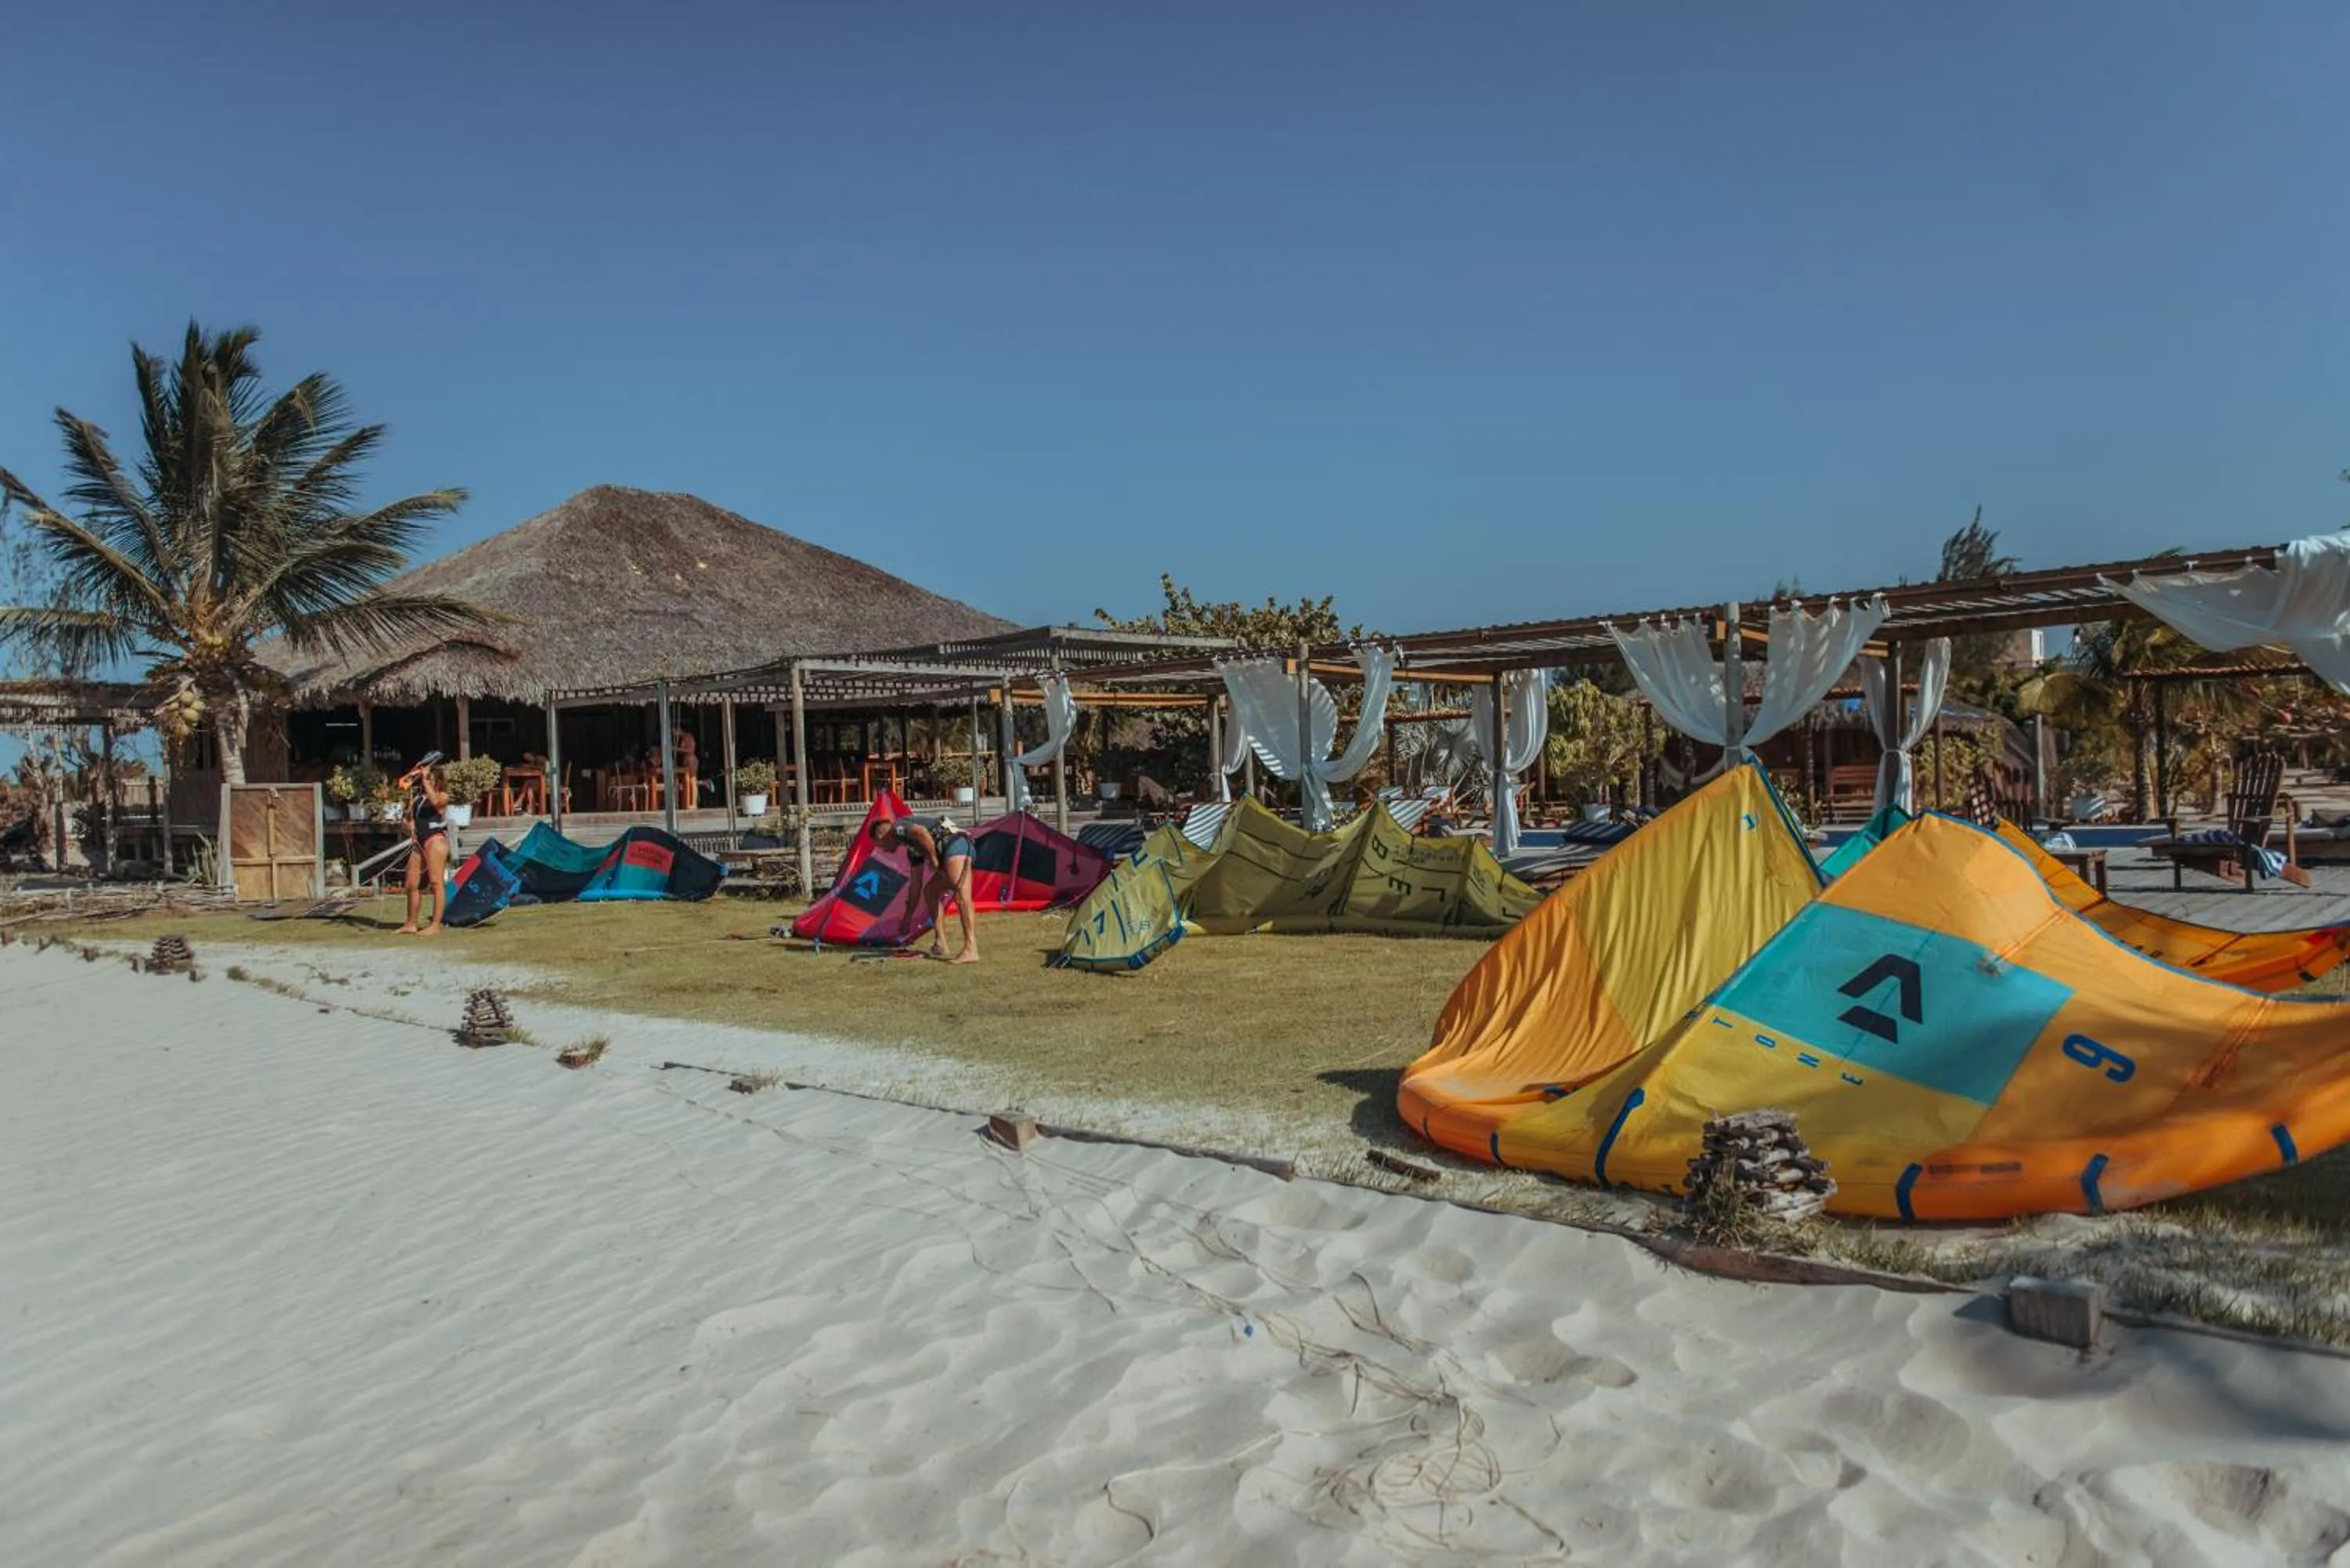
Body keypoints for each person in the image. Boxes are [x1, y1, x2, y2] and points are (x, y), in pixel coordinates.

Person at [869, 811, 979, 964]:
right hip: (952, 848)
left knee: (962, 896)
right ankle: (941, 942)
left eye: (881, 846)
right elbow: (916, 885)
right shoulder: (912, 848)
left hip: (956, 844)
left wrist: (933, 858)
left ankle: (971, 949)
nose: (884, 850)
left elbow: (921, 832)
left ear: (882, 836)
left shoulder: (898, 828)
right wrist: (908, 916)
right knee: (930, 892)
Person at [398, 761, 452, 935]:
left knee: (436, 883)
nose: (427, 780)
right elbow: (408, 823)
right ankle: (410, 924)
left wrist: (426, 780)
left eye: (431, 778)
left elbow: (436, 802)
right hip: (419, 841)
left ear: (438, 780)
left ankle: (435, 925)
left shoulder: (443, 795)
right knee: (411, 883)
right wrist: (407, 825)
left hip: (435, 840)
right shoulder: (417, 799)